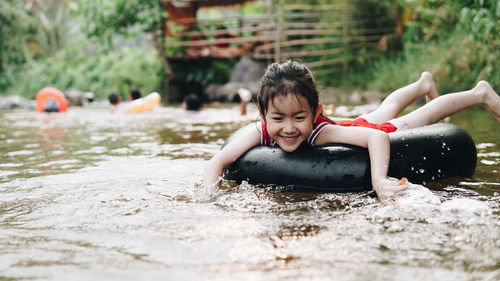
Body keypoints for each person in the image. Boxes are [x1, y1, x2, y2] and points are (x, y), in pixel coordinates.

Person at [204, 60, 500, 201]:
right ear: (263, 115)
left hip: (363, 129)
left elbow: (377, 136)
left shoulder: (321, 133)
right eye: (279, 118)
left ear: (316, 112)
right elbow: (218, 161)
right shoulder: (262, 130)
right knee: (386, 106)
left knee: (423, 114)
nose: (289, 128)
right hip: (352, 122)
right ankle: (422, 83)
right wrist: (208, 198)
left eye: (299, 117)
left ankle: (479, 93)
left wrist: (379, 180)